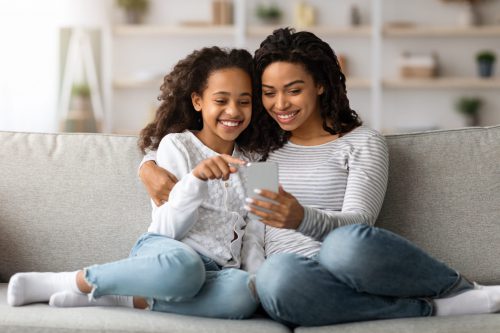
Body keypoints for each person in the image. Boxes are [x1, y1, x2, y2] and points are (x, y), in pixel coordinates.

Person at [139, 28, 500, 326]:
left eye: (294, 90)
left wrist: (301, 218)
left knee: (347, 245)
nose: (280, 105)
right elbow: (202, 139)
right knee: (275, 278)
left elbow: (360, 224)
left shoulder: (360, 143)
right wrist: (149, 164)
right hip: (294, 281)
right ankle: (429, 310)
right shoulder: (261, 147)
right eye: (268, 94)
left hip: (347, 258)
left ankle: (459, 288)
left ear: (321, 85)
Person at [7, 46, 260, 319]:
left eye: (244, 101)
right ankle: (71, 281)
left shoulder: (257, 161)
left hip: (219, 272)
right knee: (186, 268)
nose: (233, 110)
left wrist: (259, 279)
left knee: (244, 294)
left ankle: (121, 298)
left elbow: (256, 233)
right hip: (168, 255)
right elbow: (167, 227)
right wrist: (196, 179)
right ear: (198, 101)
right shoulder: (177, 145)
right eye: (221, 100)